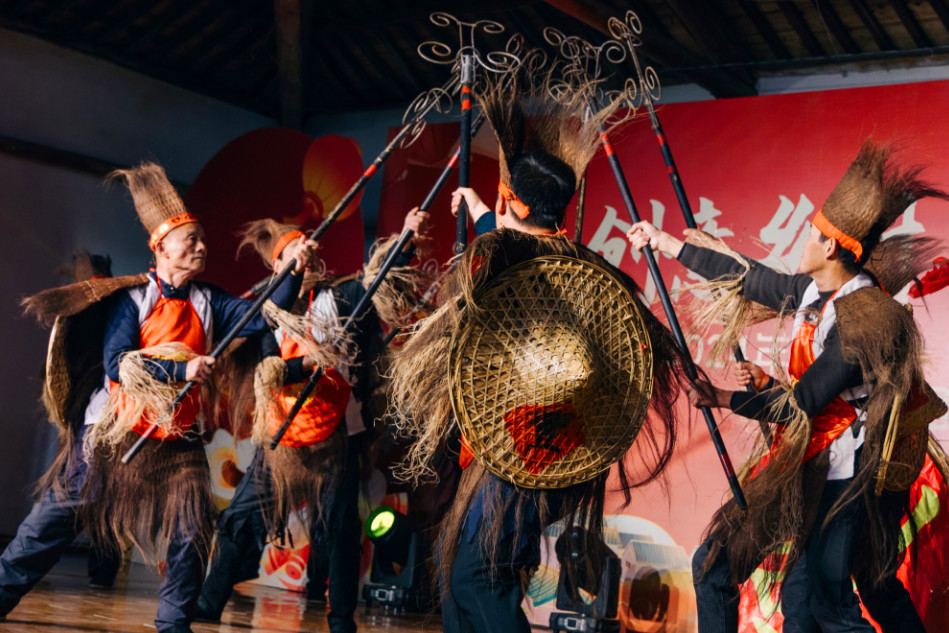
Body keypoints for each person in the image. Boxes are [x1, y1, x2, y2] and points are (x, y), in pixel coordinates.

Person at [388, 74, 688, 633]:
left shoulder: (506, 258)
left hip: (518, 445)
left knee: (480, 578)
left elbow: (502, 244)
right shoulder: (592, 270)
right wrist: (483, 205)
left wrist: (482, 213)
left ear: (511, 201)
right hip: (557, 444)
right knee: (464, 575)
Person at [626, 140, 947, 633]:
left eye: (811, 233)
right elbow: (747, 277)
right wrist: (665, 243)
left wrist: (723, 398)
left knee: (825, 606)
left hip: (844, 477)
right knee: (724, 572)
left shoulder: (861, 320)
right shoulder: (812, 292)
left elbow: (802, 403)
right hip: (806, 464)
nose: (804, 239)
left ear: (832, 248)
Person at [76, 162, 317, 633]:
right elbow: (118, 363)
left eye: (204, 240)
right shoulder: (133, 299)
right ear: (161, 248)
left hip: (179, 437)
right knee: (58, 518)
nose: (204, 248)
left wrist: (293, 270)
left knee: (192, 531)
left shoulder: (212, 301)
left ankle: (174, 625)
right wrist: (182, 368)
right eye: (193, 241)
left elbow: (262, 316)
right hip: (118, 431)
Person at [195, 210, 430, 633]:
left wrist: (407, 239)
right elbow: (270, 362)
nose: (311, 261)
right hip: (281, 439)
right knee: (239, 519)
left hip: (335, 437)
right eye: (297, 258)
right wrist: (303, 364)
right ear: (280, 267)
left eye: (311, 253)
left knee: (339, 530)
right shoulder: (268, 310)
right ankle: (209, 604)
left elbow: (380, 279)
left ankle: (340, 620)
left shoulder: (339, 298)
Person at [0, 251, 126, 619]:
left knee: (100, 503)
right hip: (89, 418)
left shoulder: (118, 303)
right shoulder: (86, 308)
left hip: (114, 421)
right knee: (78, 501)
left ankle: (105, 575)